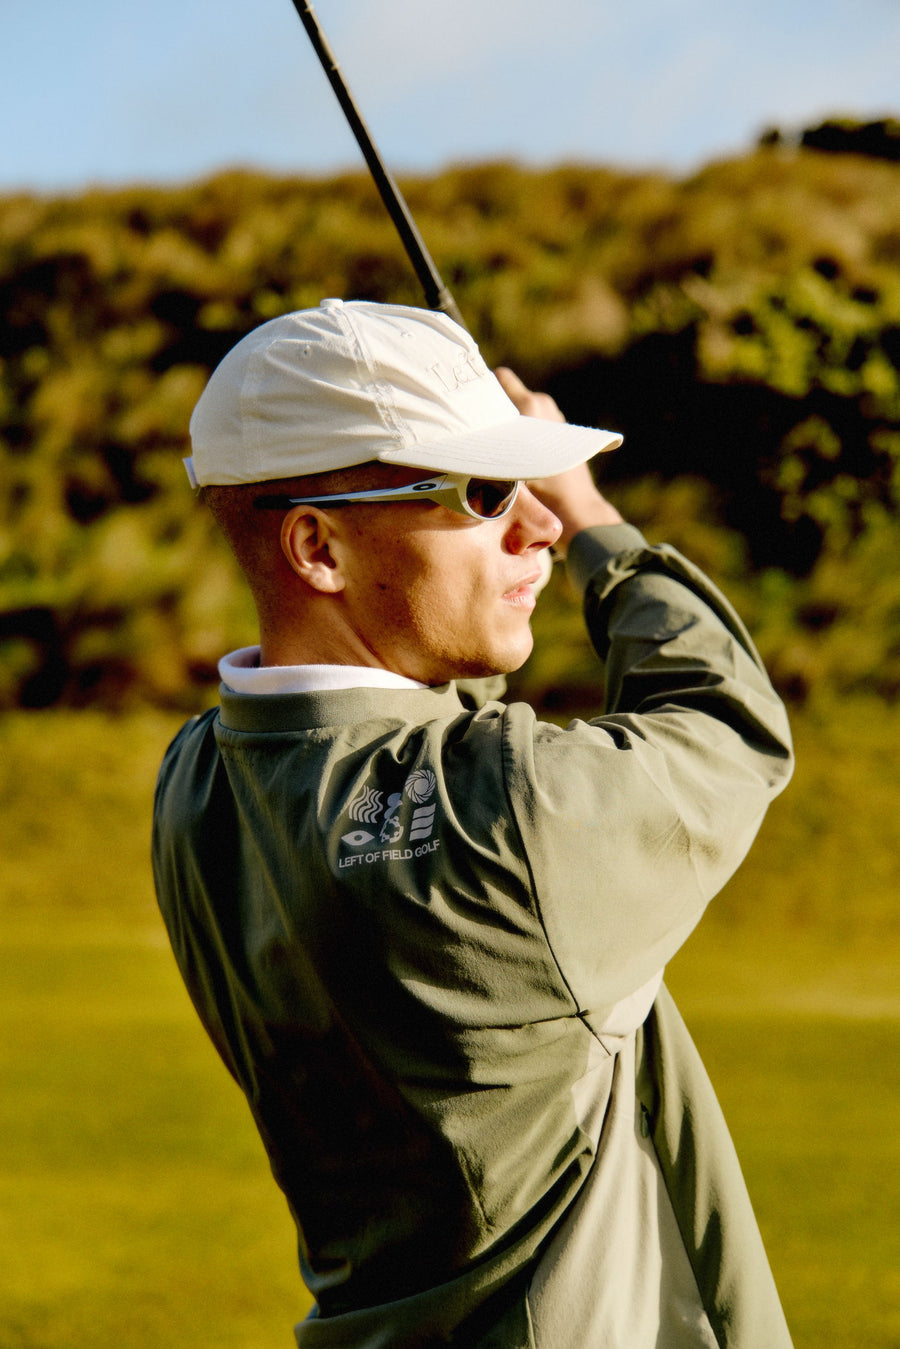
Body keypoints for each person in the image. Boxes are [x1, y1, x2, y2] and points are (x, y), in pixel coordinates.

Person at [152, 298, 794, 1348]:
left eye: (532, 491)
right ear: (316, 546)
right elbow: (725, 719)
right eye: (486, 492)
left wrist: (484, 477)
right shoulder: (516, 815)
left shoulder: (193, 785)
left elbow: (398, 734)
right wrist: (594, 520)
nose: (533, 522)